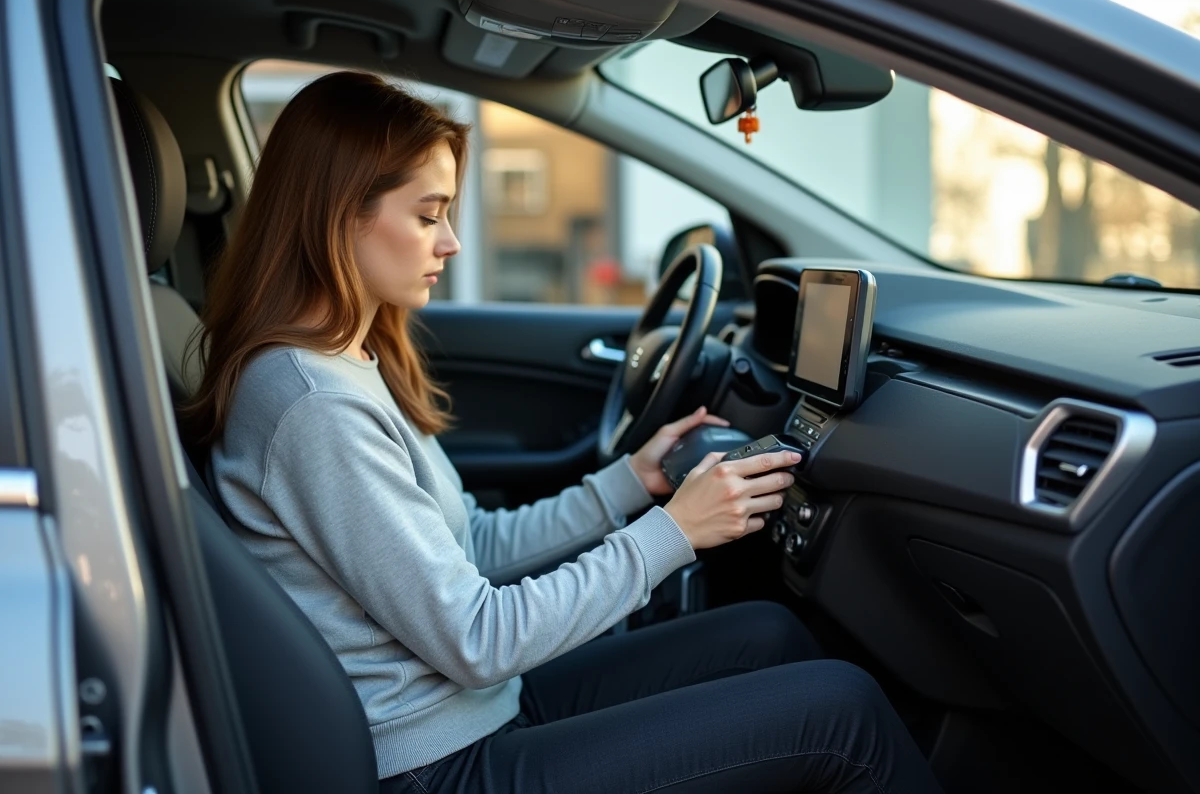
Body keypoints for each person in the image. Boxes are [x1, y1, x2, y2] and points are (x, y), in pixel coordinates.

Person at [183, 71, 943, 793]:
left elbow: (470, 548)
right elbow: (477, 639)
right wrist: (674, 532)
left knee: (766, 635)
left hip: (471, 712)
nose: (448, 242)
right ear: (339, 214)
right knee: (843, 712)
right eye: (427, 214)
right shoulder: (312, 404)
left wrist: (629, 483)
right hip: (434, 766)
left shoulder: (350, 360)